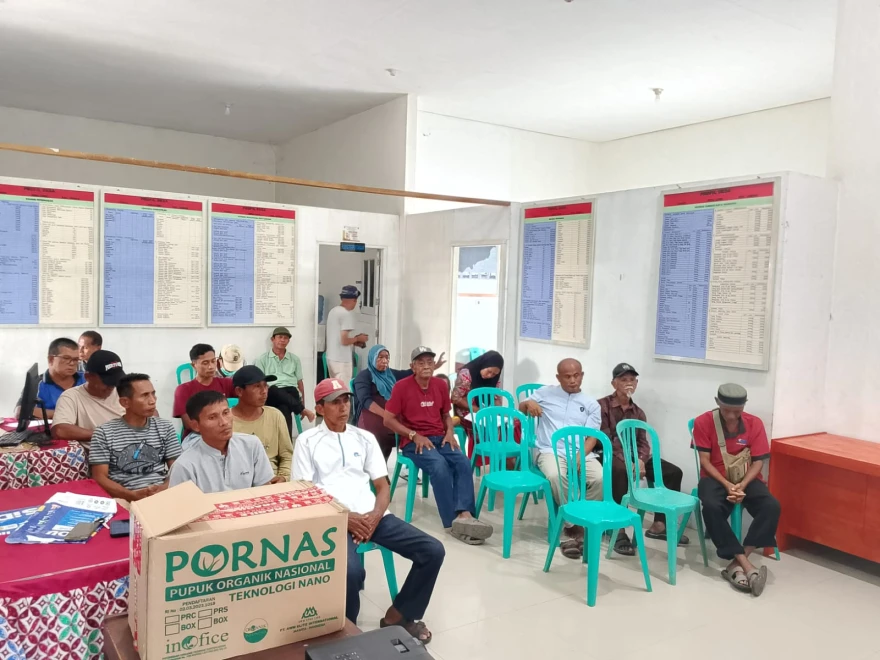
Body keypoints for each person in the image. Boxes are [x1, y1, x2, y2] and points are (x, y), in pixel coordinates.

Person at [293, 379, 444, 643]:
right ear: (319, 408)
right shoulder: (307, 441)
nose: (343, 407)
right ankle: (346, 632)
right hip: (333, 520)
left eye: (346, 400)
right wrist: (344, 518)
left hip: (372, 516)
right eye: (335, 402)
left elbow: (383, 487)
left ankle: (399, 615)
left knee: (432, 550)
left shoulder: (364, 438)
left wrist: (374, 517)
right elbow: (305, 495)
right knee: (351, 572)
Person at [384, 346, 493, 545]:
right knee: (439, 465)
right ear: (412, 367)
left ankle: (465, 514)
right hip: (414, 441)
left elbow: (445, 415)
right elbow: (388, 419)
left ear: (434, 365)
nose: (426, 366)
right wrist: (413, 435)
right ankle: (451, 522)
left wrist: (450, 432)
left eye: (429, 362)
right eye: (421, 363)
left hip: (440, 437)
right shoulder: (401, 387)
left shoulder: (440, 385)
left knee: (462, 462)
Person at [694, 384, 780, 596]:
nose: (732, 416)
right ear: (717, 403)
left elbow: (758, 461)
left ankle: (736, 563)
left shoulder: (754, 423)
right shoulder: (703, 422)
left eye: (737, 411)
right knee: (711, 507)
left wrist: (741, 485)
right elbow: (705, 461)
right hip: (715, 478)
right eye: (727, 410)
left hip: (746, 478)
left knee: (771, 506)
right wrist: (727, 485)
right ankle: (746, 565)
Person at [598, 362, 689, 556]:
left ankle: (659, 525)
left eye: (632, 380)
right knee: (620, 471)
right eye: (623, 379)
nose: (628, 383)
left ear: (637, 384)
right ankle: (617, 528)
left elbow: (643, 442)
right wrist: (628, 461)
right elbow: (606, 439)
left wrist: (640, 459)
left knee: (672, 472)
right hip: (610, 454)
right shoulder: (602, 406)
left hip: (634, 456)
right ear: (614, 383)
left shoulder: (638, 412)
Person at [519, 358, 602, 559]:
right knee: (556, 476)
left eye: (576, 375)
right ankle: (572, 525)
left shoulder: (591, 404)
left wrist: (580, 455)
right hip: (550, 450)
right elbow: (521, 408)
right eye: (567, 376)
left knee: (600, 478)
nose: (573, 380)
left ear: (582, 375)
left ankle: (585, 521)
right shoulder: (545, 393)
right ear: (558, 377)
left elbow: (592, 437)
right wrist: (528, 403)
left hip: (580, 451)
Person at [89, 374, 180, 502]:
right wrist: (131, 495)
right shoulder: (104, 432)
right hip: (123, 497)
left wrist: (162, 489)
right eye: (144, 395)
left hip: (162, 492)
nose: (152, 401)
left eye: (153, 394)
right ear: (125, 402)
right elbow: (99, 477)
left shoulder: (165, 427)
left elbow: (178, 469)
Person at [168, 391, 280, 492]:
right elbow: (182, 506)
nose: (224, 422)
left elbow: (265, 491)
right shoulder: (184, 466)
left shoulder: (251, 445)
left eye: (226, 413)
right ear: (195, 425)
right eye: (212, 417)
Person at [353, 344, 446, 461]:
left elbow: (410, 373)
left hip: (390, 411)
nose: (384, 360)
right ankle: (376, 468)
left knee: (411, 427)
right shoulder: (364, 376)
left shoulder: (390, 374)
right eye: (380, 357)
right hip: (371, 413)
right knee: (381, 434)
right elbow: (365, 400)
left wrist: (432, 366)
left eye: (387, 357)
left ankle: (418, 458)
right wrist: (386, 414)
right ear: (372, 357)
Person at [229, 366, 294, 481]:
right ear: (239, 391)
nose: (264, 391)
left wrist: (283, 477)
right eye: (257, 386)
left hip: (272, 480)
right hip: (239, 481)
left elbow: (287, 455)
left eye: (265, 385)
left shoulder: (275, 415)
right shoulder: (225, 421)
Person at [52, 350, 125, 441]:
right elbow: (60, 430)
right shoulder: (71, 397)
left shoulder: (124, 391)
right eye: (107, 382)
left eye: (116, 381)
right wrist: (104, 435)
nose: (112, 386)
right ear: (88, 377)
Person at [254, 327, 315, 434]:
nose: (282, 340)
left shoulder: (295, 359)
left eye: (285, 338)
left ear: (288, 341)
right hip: (271, 394)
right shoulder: (262, 359)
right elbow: (259, 383)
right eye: (280, 337)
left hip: (291, 392)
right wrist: (301, 407)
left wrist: (303, 401)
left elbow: (299, 382)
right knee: (274, 390)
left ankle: (284, 442)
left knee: (284, 407)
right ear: (272, 339)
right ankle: (301, 410)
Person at [451, 351, 508, 463]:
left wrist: (498, 411)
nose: (490, 376)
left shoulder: (495, 377)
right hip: (467, 412)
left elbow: (496, 397)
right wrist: (478, 410)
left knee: (507, 424)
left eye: (494, 374)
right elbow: (456, 398)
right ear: (484, 364)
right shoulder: (467, 374)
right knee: (484, 427)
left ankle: (501, 461)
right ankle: (479, 460)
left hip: (485, 410)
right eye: (489, 371)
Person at [173, 344, 234, 439]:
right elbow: (189, 424)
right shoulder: (183, 390)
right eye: (205, 363)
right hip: (196, 437)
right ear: (194, 365)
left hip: (223, 433)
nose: (211, 366)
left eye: (213, 361)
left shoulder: (226, 383)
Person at [15, 337, 84, 419]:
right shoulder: (37, 384)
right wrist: (63, 414)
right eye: (66, 358)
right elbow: (20, 411)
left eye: (75, 359)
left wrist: (44, 413)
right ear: (51, 359)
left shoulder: (87, 379)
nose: (72, 363)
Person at [325, 285, 369, 384]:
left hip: (331, 358)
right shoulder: (346, 314)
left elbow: (337, 337)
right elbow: (344, 340)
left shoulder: (333, 311)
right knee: (344, 390)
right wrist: (358, 339)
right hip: (342, 361)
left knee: (335, 389)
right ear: (354, 300)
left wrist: (354, 341)